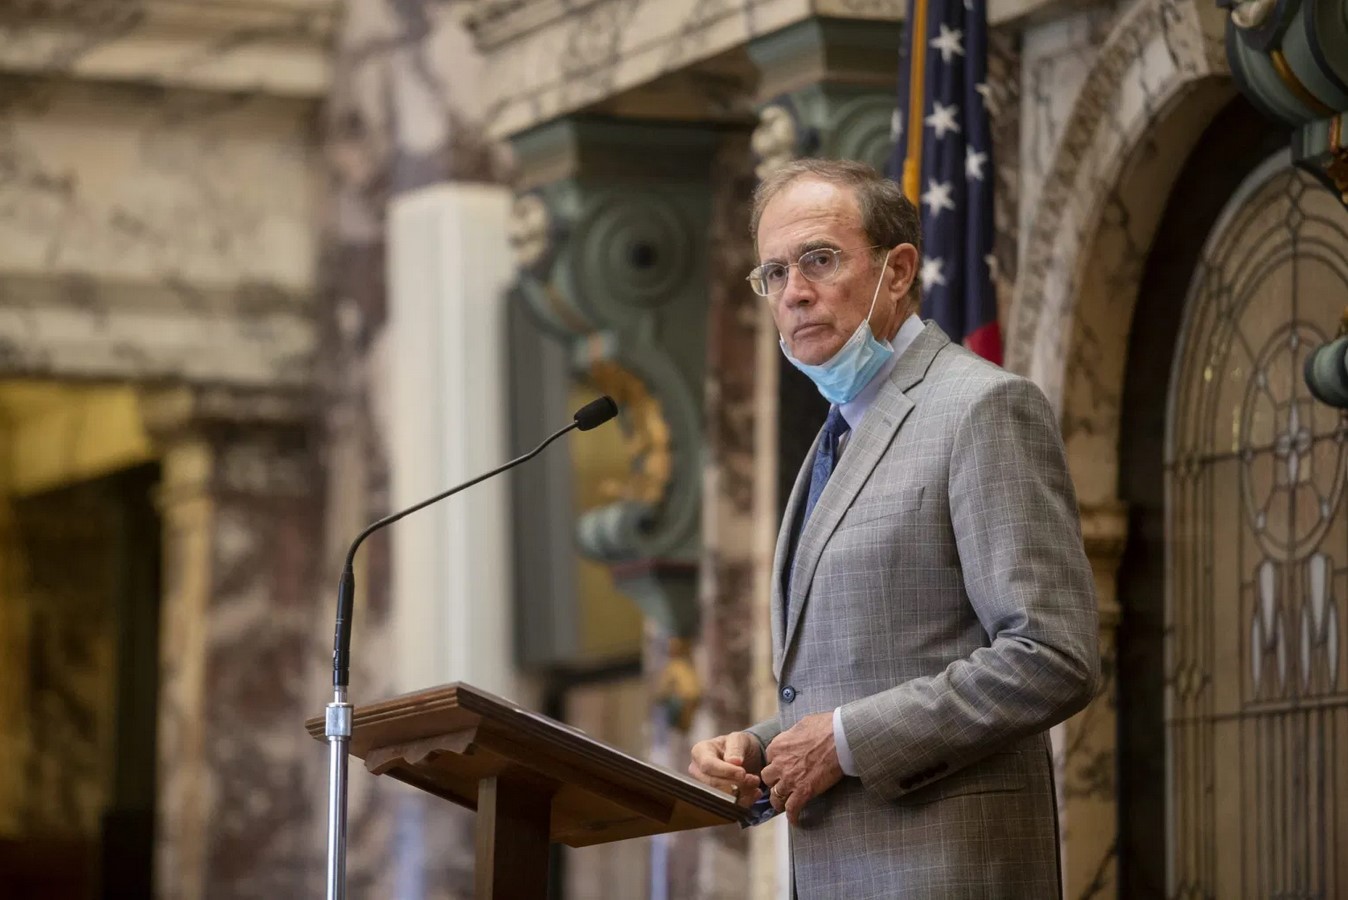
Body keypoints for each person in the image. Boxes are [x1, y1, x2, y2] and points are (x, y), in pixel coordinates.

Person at [688, 158, 1100, 898]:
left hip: (951, 875)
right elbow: (862, 676)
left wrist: (844, 741)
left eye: (819, 260)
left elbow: (1051, 655)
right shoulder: (838, 432)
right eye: (775, 273)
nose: (794, 292)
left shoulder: (980, 408)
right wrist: (761, 749)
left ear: (898, 269)